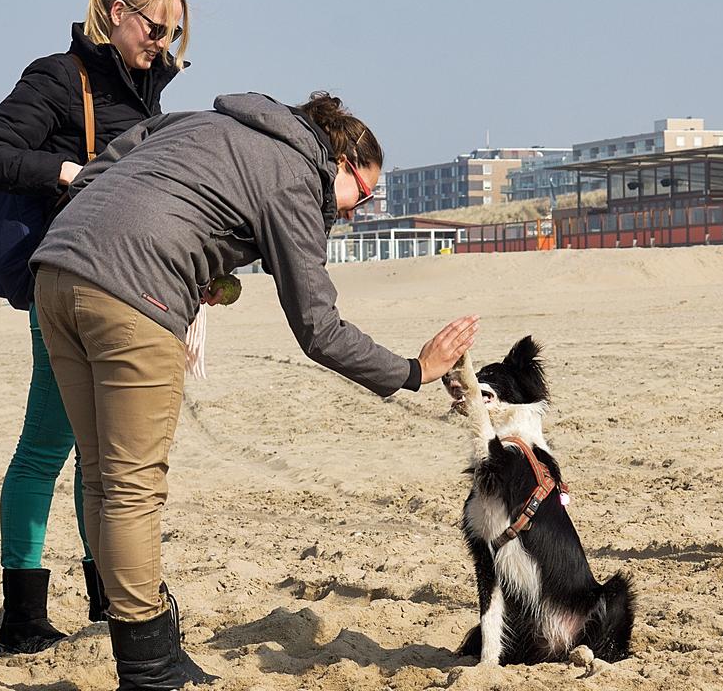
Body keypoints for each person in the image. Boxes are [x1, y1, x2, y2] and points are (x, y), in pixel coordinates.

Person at [30, 91, 479, 689]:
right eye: (361, 194)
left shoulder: (206, 121)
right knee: (134, 486)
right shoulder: (297, 176)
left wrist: (191, 258)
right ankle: (148, 668)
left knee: (100, 478)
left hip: (58, 271)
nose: (355, 210)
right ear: (339, 158)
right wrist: (413, 371)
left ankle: (151, 648)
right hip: (134, 294)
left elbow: (102, 170)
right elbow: (318, 329)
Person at [0, 0, 190, 658]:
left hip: (129, 285)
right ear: (117, 13)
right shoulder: (61, 78)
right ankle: (24, 615)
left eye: (174, 33)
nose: (164, 43)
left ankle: (104, 595)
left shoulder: (143, 85)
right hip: (68, 282)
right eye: (155, 28)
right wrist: (68, 173)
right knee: (46, 447)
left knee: (102, 455)